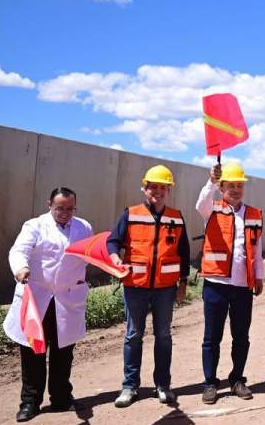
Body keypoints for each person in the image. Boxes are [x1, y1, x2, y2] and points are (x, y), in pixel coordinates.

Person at [4, 187, 93, 422]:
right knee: (34, 350)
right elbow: (18, 251)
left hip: (67, 298)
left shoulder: (83, 227)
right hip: (38, 298)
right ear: (49, 205)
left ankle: (61, 397)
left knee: (64, 351)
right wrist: (21, 268)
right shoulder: (34, 225)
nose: (65, 213)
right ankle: (30, 402)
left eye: (70, 208)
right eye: (59, 208)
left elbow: (90, 254)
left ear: (75, 206)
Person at [107, 165, 190, 408]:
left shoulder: (176, 216)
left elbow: (184, 252)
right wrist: (114, 257)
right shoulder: (130, 214)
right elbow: (113, 241)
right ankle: (129, 386)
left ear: (168, 190)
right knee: (133, 335)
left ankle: (162, 385)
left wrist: (183, 282)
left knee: (163, 335)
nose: (157, 191)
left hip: (165, 287)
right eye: (153, 186)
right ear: (144, 188)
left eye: (162, 187)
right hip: (136, 285)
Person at [196, 161, 264, 404]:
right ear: (222, 186)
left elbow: (255, 251)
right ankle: (210, 383)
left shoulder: (254, 214)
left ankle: (237, 379)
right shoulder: (211, 208)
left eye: (239, 185)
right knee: (211, 337)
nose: (235, 189)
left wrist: (259, 276)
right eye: (230, 185)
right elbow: (200, 203)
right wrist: (211, 182)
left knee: (241, 336)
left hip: (243, 286)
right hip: (216, 283)